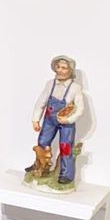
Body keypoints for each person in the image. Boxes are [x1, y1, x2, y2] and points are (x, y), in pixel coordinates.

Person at [28, 55, 85, 187]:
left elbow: (80, 108)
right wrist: (35, 119)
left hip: (66, 123)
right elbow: (41, 101)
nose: (60, 70)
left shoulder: (75, 88)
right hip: (49, 120)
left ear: (70, 70)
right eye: (58, 67)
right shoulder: (50, 84)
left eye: (64, 68)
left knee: (66, 147)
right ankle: (40, 166)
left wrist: (68, 119)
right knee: (42, 142)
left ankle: (66, 174)